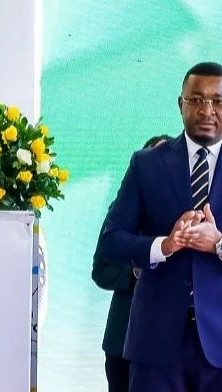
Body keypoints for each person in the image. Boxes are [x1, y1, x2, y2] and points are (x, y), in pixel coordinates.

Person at [97, 62, 222, 392]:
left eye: (218, 101)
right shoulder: (146, 164)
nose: (207, 110)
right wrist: (164, 245)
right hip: (156, 340)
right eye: (196, 100)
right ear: (181, 104)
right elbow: (111, 241)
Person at [92, 134, 172, 392]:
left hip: (173, 347)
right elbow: (101, 271)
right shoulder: (121, 211)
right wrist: (138, 272)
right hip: (123, 341)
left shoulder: (191, 213)